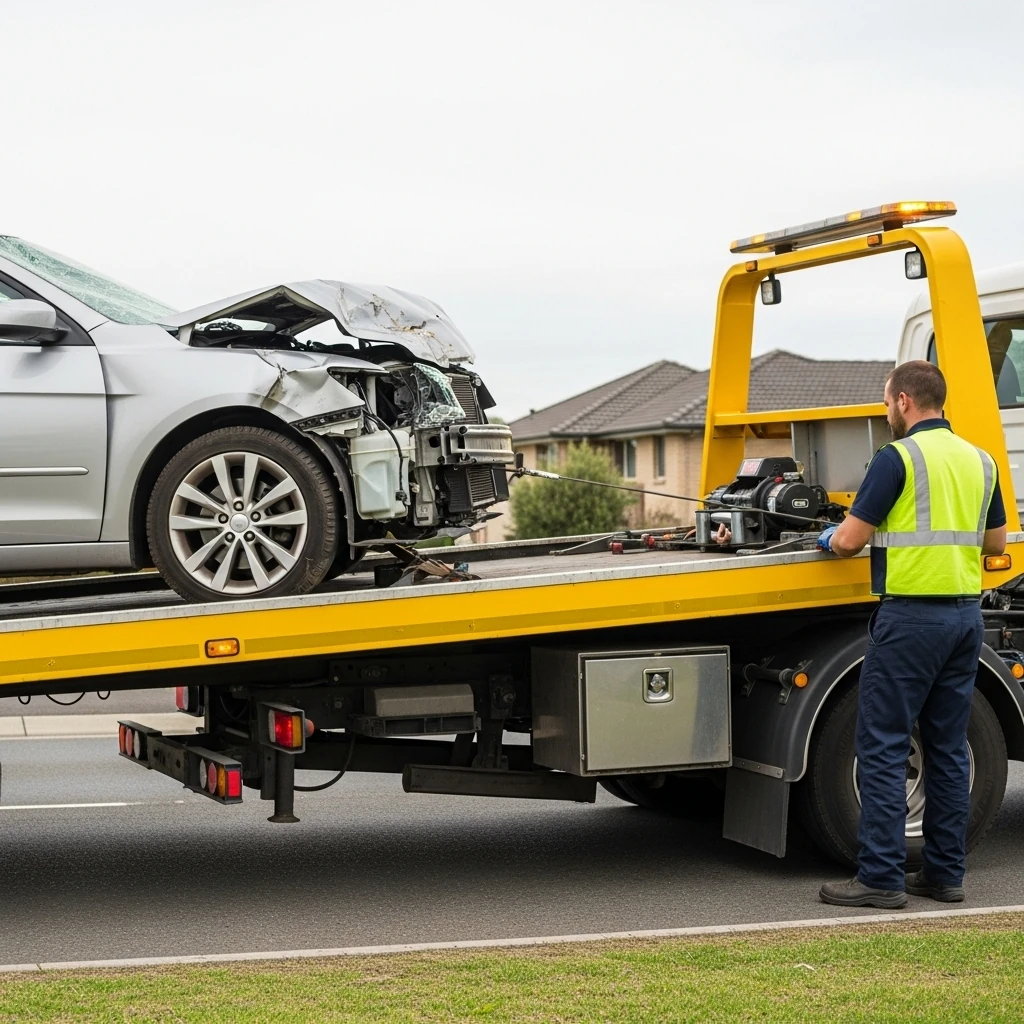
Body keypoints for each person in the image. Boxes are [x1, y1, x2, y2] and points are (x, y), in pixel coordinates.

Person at [813, 360, 1006, 909]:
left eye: (885, 402)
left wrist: (830, 534)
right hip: (966, 620)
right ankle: (945, 876)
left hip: (911, 620)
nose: (886, 411)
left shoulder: (896, 457)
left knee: (882, 746)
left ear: (903, 401)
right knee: (948, 749)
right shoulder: (982, 461)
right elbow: (994, 545)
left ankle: (879, 878)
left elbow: (850, 541)